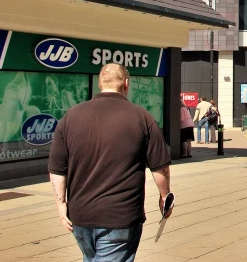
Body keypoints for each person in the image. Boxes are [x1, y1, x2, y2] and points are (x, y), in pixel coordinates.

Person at [48, 64, 172, 261]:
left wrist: (61, 204)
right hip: (119, 217)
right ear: (126, 83)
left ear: (99, 84)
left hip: (80, 217)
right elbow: (159, 167)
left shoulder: (70, 116)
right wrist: (165, 198)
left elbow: (57, 169)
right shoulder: (142, 117)